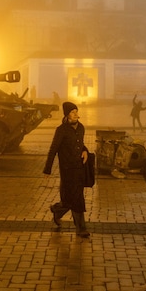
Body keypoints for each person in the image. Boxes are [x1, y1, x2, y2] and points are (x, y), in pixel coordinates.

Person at [43, 101, 90, 238]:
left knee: (75, 199)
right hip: (67, 170)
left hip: (79, 168)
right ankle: (77, 226)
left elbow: (80, 144)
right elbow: (53, 149)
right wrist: (47, 168)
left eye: (76, 111)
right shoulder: (61, 130)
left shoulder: (81, 127)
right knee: (74, 199)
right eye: (73, 112)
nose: (76, 114)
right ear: (67, 114)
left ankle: (61, 213)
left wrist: (85, 150)